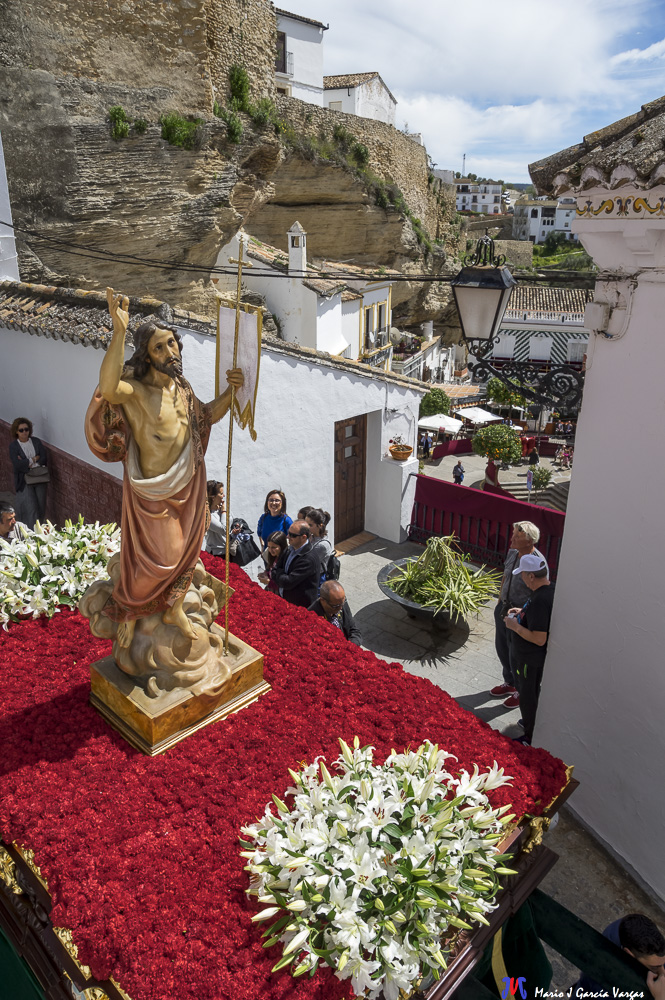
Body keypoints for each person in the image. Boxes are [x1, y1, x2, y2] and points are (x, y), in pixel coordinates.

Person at [84, 287, 243, 646]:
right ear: (147, 355)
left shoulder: (181, 388)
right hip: (153, 495)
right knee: (164, 558)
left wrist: (231, 394)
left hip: (188, 486)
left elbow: (205, 418)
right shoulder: (136, 390)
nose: (170, 352)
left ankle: (171, 609)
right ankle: (130, 608)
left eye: (172, 343)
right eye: (160, 347)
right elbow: (108, 387)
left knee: (188, 553)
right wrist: (119, 331)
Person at [490, 521, 547, 708]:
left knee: (516, 654)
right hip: (504, 609)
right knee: (502, 649)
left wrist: (524, 615)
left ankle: (521, 691)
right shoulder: (513, 553)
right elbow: (505, 576)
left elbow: (540, 591)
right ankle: (509, 682)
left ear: (530, 540)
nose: (512, 538)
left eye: (517, 536)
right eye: (513, 533)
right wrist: (499, 602)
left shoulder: (538, 561)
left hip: (520, 614)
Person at [504, 552, 554, 745]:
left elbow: (539, 638)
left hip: (529, 659)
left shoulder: (540, 600)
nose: (522, 578)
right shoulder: (546, 591)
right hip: (527, 658)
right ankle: (529, 722)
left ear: (531, 576)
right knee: (529, 693)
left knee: (527, 696)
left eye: (523, 574)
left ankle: (530, 736)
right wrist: (522, 613)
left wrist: (514, 626)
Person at [575, 913, 665, 995]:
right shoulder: (605, 981)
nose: (663, 972)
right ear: (629, 954)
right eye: (654, 967)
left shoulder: (630, 928)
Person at [9, 417, 49, 529]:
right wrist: (33, 459)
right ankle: (30, 532)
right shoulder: (14, 446)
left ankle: (39, 530)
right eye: (21, 430)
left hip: (40, 477)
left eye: (26, 429)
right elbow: (17, 465)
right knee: (31, 507)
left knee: (41, 506)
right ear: (16, 431)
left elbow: (44, 458)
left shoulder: (36, 441)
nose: (24, 432)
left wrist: (26, 462)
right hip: (25, 479)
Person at [271, 520, 319, 608]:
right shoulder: (290, 549)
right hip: (286, 600)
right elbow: (275, 568)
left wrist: (278, 574)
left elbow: (288, 583)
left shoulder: (308, 558)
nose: (288, 537)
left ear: (303, 537)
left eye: (293, 535)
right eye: (289, 533)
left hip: (300, 607)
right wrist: (280, 574)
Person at [308, 580, 362, 645]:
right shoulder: (312, 617)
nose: (341, 608)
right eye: (335, 606)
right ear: (322, 601)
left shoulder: (340, 602)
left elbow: (354, 630)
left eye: (343, 603)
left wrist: (350, 647)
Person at [257, 490, 292, 555]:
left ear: (282, 503)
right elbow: (259, 533)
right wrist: (262, 548)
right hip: (267, 557)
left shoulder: (286, 520)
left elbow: (292, 539)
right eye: (271, 500)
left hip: (281, 558)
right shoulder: (263, 518)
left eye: (277, 500)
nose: (273, 503)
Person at [305, 508, 333, 585]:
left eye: (310, 525)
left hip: (316, 579)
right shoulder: (312, 537)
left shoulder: (322, 545)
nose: (306, 527)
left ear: (320, 526)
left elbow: (307, 561)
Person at [204, 480, 226, 556]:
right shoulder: (207, 515)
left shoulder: (221, 510)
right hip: (216, 554)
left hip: (228, 551)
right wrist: (224, 512)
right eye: (221, 493)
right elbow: (223, 529)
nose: (224, 496)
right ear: (213, 497)